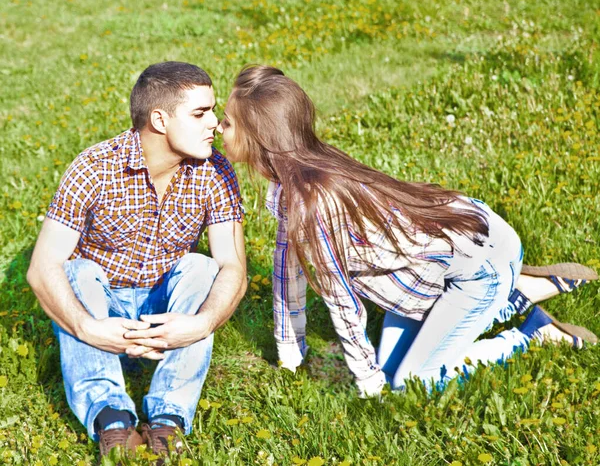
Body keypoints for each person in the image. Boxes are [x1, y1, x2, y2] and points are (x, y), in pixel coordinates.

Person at [216, 64, 598, 398]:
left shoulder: (315, 204)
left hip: (481, 262)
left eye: (228, 122)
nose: (219, 127)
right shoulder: (292, 181)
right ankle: (518, 292)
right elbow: (287, 269)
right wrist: (290, 349)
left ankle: (531, 334)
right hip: (452, 252)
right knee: (390, 366)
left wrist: (368, 384)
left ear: (258, 136)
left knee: (412, 382)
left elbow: (341, 300)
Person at [27, 62, 246, 461]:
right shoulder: (94, 168)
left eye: (212, 111)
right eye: (201, 113)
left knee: (203, 267)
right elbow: (42, 267)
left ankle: (168, 419)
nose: (216, 123)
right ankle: (112, 419)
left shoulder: (216, 170)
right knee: (76, 270)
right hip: (101, 308)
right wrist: (87, 328)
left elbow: (233, 266)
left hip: (166, 310)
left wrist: (203, 322)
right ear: (159, 120)